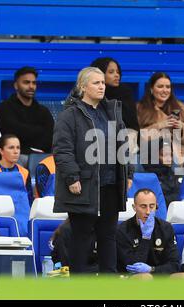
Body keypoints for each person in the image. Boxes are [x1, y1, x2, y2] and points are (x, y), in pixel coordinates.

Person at [53, 66, 133, 273]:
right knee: (82, 238)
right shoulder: (69, 114)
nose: (101, 86)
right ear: (82, 87)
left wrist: (128, 173)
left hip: (111, 185)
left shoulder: (112, 111)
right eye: (96, 83)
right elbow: (62, 149)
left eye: (103, 83)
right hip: (84, 186)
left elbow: (123, 144)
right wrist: (72, 178)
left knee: (108, 237)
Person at [0, 66, 54, 160]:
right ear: (16, 85)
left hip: (42, 156)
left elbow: (50, 138)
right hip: (17, 156)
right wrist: (38, 131)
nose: (31, 86)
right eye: (26, 82)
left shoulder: (43, 111)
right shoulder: (4, 109)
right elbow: (9, 137)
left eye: (34, 83)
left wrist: (24, 132)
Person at [117, 188, 179, 275]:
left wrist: (152, 270)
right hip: (132, 279)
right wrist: (145, 238)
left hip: (159, 274)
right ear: (134, 207)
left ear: (156, 206)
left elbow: (175, 265)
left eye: (152, 206)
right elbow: (133, 267)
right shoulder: (122, 230)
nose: (148, 212)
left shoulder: (166, 228)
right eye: (143, 206)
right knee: (144, 277)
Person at [137, 72, 184, 164]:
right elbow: (136, 137)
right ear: (151, 89)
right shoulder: (140, 108)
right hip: (150, 157)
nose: (165, 90)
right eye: (160, 86)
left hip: (177, 157)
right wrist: (160, 125)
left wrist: (181, 127)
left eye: (168, 87)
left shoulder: (181, 107)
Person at [90, 57, 139, 153]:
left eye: (117, 72)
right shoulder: (91, 93)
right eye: (111, 72)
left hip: (125, 137)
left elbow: (132, 124)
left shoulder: (125, 93)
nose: (117, 75)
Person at [0, 134, 33, 205]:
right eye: (11, 148)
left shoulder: (24, 172)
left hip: (20, 213)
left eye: (18, 148)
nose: (16, 151)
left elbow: (28, 200)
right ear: (1, 151)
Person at [142, 139, 181, 207]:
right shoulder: (146, 178)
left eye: (171, 155)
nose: (169, 159)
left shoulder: (174, 175)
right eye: (164, 155)